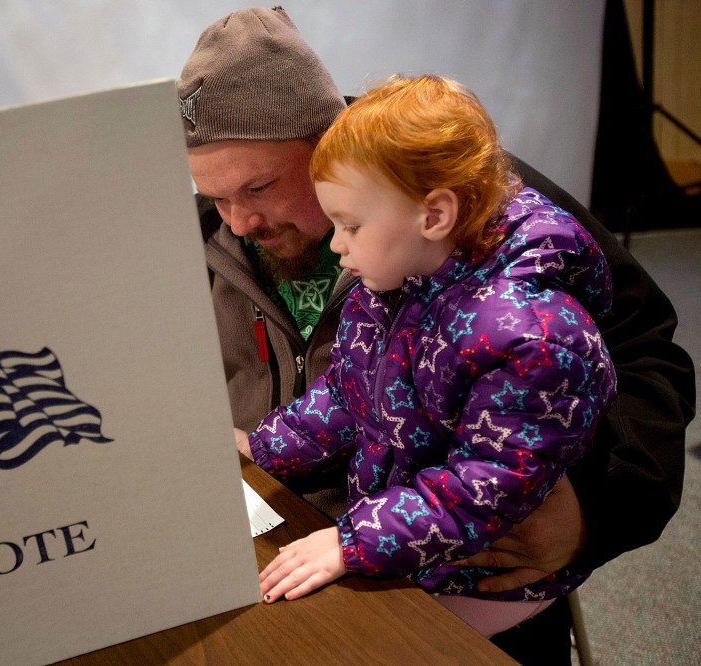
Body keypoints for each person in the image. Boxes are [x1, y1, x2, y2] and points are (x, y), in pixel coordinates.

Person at [177, 6, 695, 664]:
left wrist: (595, 508)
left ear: (327, 135)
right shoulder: (201, 233)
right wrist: (255, 451)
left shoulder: (476, 204)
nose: (238, 220)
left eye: (260, 185)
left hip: (454, 560)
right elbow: (349, 394)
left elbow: (650, 356)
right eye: (215, 195)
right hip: (282, 533)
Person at [235, 71, 617, 638]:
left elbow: (481, 487)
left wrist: (352, 542)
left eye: (351, 225)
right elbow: (348, 392)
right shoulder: (392, 282)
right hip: (404, 534)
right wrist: (262, 449)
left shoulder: (533, 339)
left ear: (434, 215)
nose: (336, 245)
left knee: (326, 639)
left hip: (478, 570)